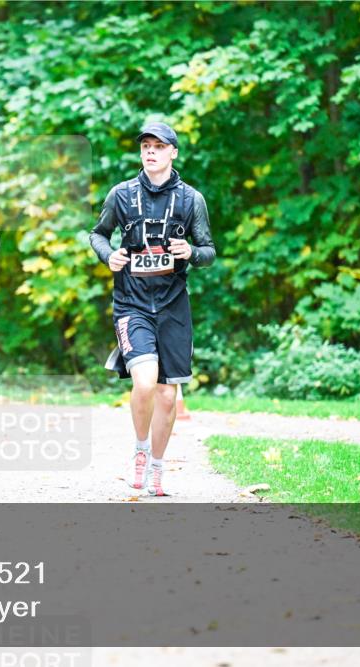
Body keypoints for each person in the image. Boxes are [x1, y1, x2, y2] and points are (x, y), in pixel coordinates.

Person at [89, 121, 216, 497]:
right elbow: (97, 233)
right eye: (146, 145)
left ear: (173, 152)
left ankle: (158, 468)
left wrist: (190, 252)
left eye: (159, 146)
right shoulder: (122, 195)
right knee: (145, 382)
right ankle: (140, 450)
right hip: (132, 303)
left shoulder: (192, 199)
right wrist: (108, 254)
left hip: (174, 307)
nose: (150, 151)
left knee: (167, 394)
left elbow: (208, 251)